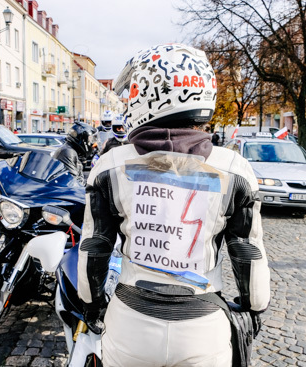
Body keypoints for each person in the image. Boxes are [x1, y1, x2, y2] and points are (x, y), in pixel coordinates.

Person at [77, 43, 271, 367]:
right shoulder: (235, 169)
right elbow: (248, 251)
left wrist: (92, 304)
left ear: (147, 95)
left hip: (131, 324)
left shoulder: (110, 167)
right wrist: (254, 307)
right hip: (203, 327)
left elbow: (94, 248)